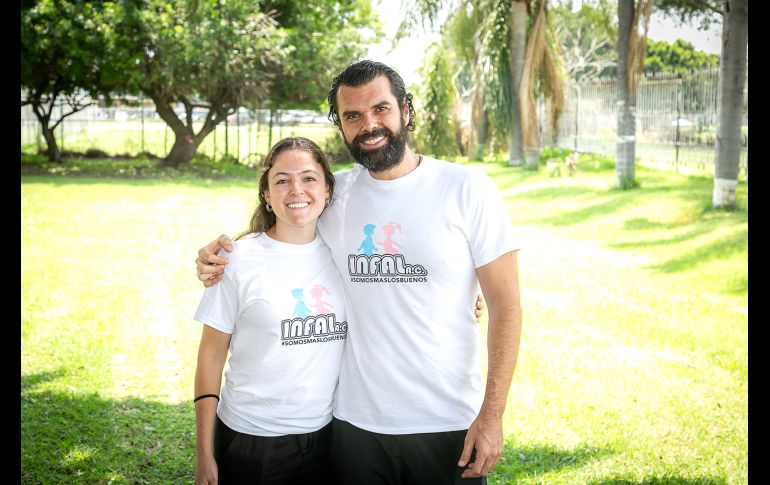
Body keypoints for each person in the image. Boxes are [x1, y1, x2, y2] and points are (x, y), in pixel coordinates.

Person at [196, 60, 522, 484]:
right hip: (354, 427)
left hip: (447, 422)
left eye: (381, 109)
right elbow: (284, 229)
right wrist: (218, 256)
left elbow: (507, 307)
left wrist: (492, 415)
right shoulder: (337, 194)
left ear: (405, 109)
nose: (369, 124)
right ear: (341, 125)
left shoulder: (467, 190)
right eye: (353, 115)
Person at [193, 137, 347, 484]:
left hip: (327, 436)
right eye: (282, 180)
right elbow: (211, 357)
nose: (296, 190)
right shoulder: (237, 260)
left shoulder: (342, 253)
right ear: (266, 193)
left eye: (309, 178)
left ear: (326, 190)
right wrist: (204, 452)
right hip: (252, 441)